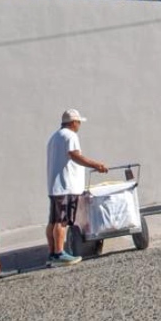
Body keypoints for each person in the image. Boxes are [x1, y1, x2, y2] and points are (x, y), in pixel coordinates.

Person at [45, 109, 107, 267]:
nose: (79, 125)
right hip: (66, 186)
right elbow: (74, 155)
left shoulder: (54, 137)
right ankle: (59, 255)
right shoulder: (70, 136)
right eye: (78, 122)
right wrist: (96, 165)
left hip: (55, 186)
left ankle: (52, 254)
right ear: (73, 122)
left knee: (53, 221)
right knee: (62, 221)